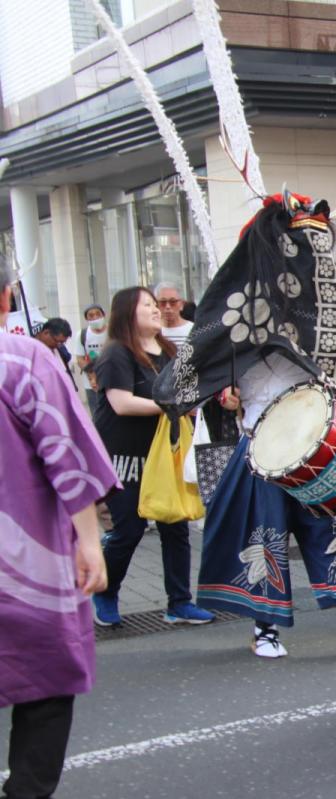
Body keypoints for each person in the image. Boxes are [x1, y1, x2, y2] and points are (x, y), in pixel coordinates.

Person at [157, 196, 336, 659]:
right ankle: (264, 629)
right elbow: (206, 361)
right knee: (263, 535)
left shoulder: (324, 309)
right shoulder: (243, 311)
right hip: (260, 442)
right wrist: (222, 390)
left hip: (318, 438)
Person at [0, 259, 120, 799]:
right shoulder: (22, 360)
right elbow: (66, 453)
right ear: (6, 297)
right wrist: (90, 540)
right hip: (28, 557)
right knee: (45, 677)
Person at [90, 287, 213, 626]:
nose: (157, 309)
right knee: (128, 530)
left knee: (175, 527)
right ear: (127, 312)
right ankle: (106, 591)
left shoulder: (169, 350)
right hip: (125, 458)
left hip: (165, 456)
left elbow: (186, 392)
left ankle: (179, 602)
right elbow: (121, 403)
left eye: (155, 304)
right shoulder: (116, 353)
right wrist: (170, 406)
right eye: (148, 305)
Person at [73, 303, 108, 414]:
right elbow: (80, 358)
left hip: (113, 380)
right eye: (91, 315)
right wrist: (92, 376)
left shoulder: (113, 332)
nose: (95, 317)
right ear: (86, 319)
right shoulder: (82, 335)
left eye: (98, 314)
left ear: (104, 315)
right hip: (91, 384)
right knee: (97, 414)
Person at [155, 282, 193, 348]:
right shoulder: (152, 330)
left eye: (173, 302)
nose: (168, 306)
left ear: (181, 304)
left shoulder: (193, 330)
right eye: (163, 302)